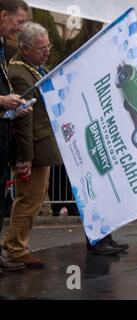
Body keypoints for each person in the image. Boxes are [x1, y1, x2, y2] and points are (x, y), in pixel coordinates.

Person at [1, 22, 61, 268]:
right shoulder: (18, 72)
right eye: (41, 48)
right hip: (33, 149)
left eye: (48, 46)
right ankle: (16, 248)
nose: (47, 52)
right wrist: (25, 158)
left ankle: (16, 245)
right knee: (28, 201)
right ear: (25, 48)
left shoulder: (33, 68)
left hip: (40, 146)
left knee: (33, 201)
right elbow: (25, 120)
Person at [0, 0, 29, 273]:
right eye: (18, 22)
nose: (20, 29)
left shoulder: (3, 47)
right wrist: (2, 100)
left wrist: (13, 109)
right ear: (3, 15)